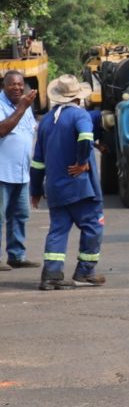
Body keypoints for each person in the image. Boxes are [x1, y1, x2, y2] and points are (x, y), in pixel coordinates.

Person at [30, 75, 105, 291]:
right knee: (93, 226)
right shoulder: (80, 115)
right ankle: (85, 271)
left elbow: (37, 162)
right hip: (81, 187)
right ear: (78, 98)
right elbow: (85, 136)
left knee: (58, 231)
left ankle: (51, 276)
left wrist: (35, 189)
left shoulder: (45, 121)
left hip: (55, 188)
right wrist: (82, 162)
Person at [0, 70, 40, 270]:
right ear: (4, 86)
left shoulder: (26, 106)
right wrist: (23, 107)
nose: (16, 88)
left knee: (20, 214)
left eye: (19, 84)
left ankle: (16, 255)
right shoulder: (2, 105)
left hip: (22, 172)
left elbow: (31, 131)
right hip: (2, 172)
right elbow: (2, 129)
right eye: (12, 84)